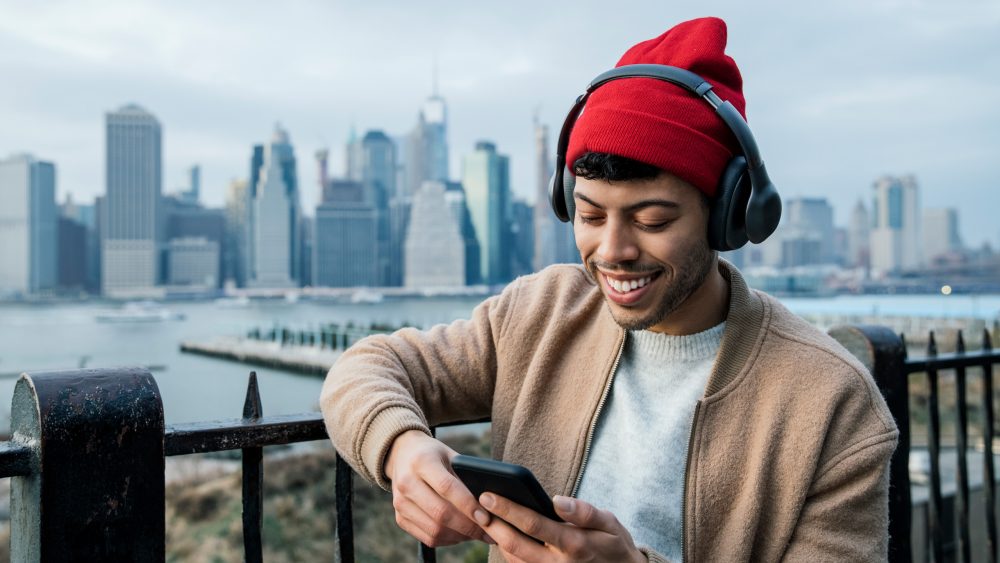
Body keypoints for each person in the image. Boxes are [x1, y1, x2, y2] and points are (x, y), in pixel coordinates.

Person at [322, 16, 897, 562]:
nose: (612, 251)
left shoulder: (832, 403)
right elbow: (366, 367)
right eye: (590, 217)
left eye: (651, 221)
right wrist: (403, 450)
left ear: (729, 216)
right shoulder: (541, 311)